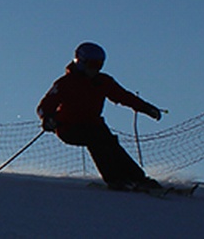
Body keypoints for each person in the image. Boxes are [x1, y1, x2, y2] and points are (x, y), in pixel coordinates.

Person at [37, 42, 164, 191]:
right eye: (92, 64)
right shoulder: (66, 83)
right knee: (97, 140)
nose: (96, 69)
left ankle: (138, 179)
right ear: (81, 62)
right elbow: (44, 106)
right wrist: (47, 119)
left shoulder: (102, 81)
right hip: (69, 127)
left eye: (99, 65)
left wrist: (146, 108)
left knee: (111, 144)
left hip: (94, 125)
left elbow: (124, 96)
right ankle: (115, 179)